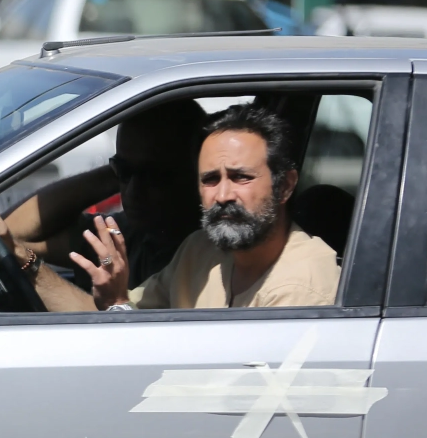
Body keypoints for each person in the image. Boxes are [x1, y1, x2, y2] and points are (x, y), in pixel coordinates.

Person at [81, 103, 338, 309]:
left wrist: (117, 305)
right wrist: (38, 264)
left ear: (284, 186)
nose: (223, 195)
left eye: (241, 177)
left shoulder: (300, 288)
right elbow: (133, 316)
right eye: (210, 179)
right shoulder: (199, 251)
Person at [0, 99, 205, 310]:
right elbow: (8, 231)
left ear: (195, 171)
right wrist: (113, 174)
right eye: (125, 172)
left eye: (154, 175)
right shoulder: (127, 234)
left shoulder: (206, 255)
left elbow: (115, 316)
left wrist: (26, 262)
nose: (133, 191)